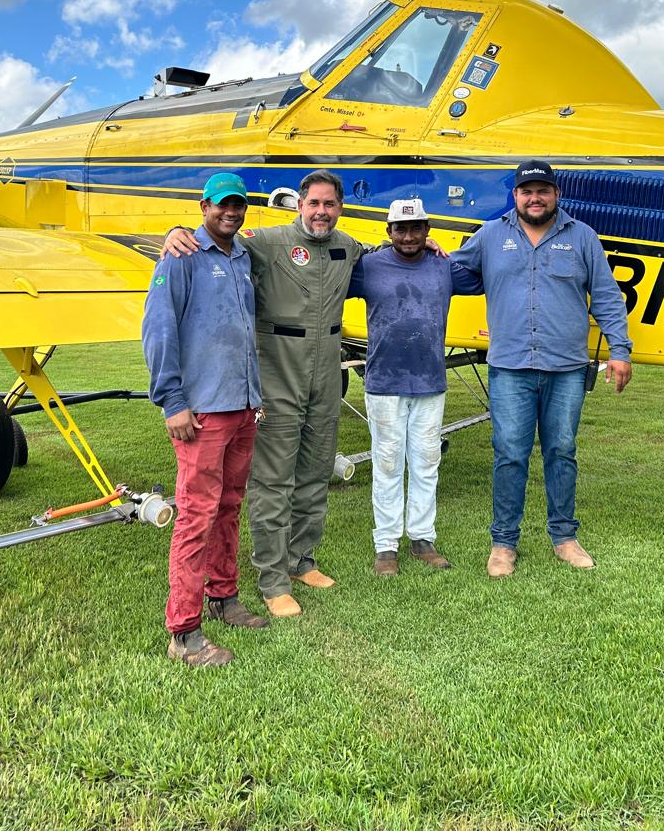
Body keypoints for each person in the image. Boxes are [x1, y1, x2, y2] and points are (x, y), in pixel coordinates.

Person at [163, 171, 365, 618]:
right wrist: (175, 231)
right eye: (314, 203)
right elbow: (218, 239)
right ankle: (273, 579)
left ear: (340, 207)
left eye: (330, 204)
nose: (321, 212)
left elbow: (382, 259)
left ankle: (300, 560)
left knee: (316, 471)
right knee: (274, 479)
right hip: (277, 371)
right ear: (300, 205)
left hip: (326, 370)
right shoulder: (267, 242)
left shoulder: (347, 247)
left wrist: (427, 246)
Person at [452, 160, 632, 573]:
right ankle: (503, 544)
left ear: (556, 194)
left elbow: (606, 296)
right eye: (527, 191)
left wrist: (620, 350)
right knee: (509, 454)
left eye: (543, 191)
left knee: (562, 451)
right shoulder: (490, 235)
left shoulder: (583, 237)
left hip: (566, 368)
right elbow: (450, 270)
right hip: (510, 367)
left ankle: (565, 538)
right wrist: (423, 251)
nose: (535, 198)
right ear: (515, 195)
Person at [142, 171, 269, 669]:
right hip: (202, 412)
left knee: (229, 507)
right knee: (197, 515)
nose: (231, 212)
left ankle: (223, 596)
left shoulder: (241, 257)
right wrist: (172, 400)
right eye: (222, 204)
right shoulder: (181, 257)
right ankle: (184, 632)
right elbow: (158, 329)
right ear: (204, 207)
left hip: (242, 406)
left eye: (238, 204)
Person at [347, 198, 481, 576]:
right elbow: (326, 273)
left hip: (429, 381)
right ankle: (386, 545)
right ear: (388, 231)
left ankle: (422, 539)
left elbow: (489, 273)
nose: (408, 236)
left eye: (416, 228)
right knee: (388, 463)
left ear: (427, 230)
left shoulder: (444, 266)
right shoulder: (369, 266)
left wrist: (452, 253)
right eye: (401, 229)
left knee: (426, 462)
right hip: (383, 382)